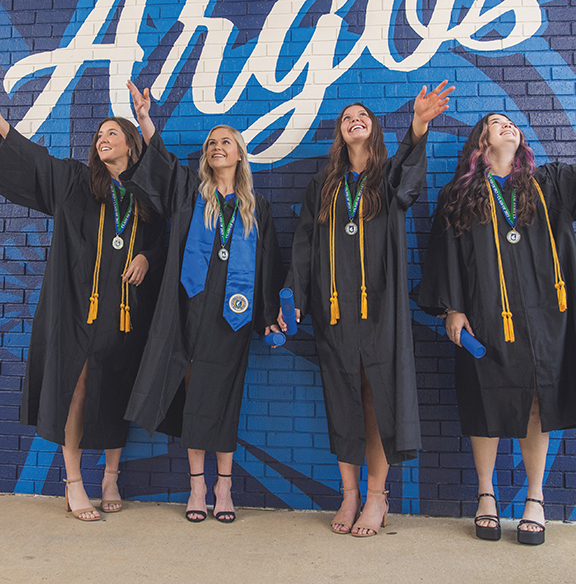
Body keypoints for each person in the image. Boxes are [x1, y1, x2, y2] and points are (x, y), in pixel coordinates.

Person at [278, 83, 454, 537]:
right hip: (333, 308)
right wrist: (294, 297)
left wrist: (418, 125)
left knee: (377, 395)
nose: (354, 119)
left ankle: (377, 495)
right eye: (346, 117)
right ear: (340, 133)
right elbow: (303, 246)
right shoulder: (323, 185)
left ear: (373, 129)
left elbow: (410, 181)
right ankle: (350, 492)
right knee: (343, 396)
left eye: (363, 115)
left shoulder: (387, 175)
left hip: (379, 307)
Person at [122, 81, 285, 524]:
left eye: (225, 141)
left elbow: (269, 265)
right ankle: (197, 487)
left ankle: (224, 487)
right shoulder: (191, 196)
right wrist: (144, 120)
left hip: (232, 316)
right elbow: (163, 166)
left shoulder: (257, 208)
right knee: (193, 395)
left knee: (226, 396)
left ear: (239, 155)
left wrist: (269, 316)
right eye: (211, 142)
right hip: (189, 308)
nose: (217, 146)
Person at [419, 113, 576, 545]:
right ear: (481, 140)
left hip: (545, 316)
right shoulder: (460, 195)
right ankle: (485, 495)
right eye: (495, 122)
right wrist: (452, 308)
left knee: (537, 404)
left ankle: (535, 499)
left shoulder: (549, 184)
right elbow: (445, 254)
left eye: (510, 121)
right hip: (486, 316)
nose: (506, 125)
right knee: (484, 403)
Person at [0, 112, 165, 521]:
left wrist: (147, 256)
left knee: (118, 383)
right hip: (76, 305)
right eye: (99, 134)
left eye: (113, 133)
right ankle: (73, 481)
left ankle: (110, 475)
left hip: (126, 308)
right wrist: (3, 127)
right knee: (75, 384)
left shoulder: (148, 194)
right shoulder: (77, 181)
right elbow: (34, 160)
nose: (103, 139)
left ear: (131, 144)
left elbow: (169, 237)